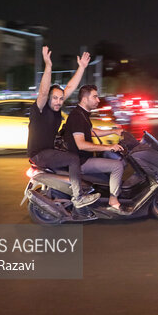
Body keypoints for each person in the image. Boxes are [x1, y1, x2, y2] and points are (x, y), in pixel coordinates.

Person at [27, 46, 100, 209]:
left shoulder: (57, 108)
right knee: (73, 159)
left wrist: (81, 67)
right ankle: (78, 197)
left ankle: (68, 190)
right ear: (48, 99)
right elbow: (44, 91)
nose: (58, 101)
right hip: (39, 154)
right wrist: (48, 66)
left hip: (48, 150)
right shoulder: (40, 109)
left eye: (61, 99)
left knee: (72, 155)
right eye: (55, 98)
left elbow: (70, 88)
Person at [61, 84, 126, 214]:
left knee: (117, 160)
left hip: (85, 157)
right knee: (117, 166)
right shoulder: (77, 116)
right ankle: (113, 201)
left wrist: (114, 131)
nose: (98, 100)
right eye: (95, 97)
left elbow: (91, 132)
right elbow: (82, 144)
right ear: (85, 99)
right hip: (81, 161)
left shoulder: (82, 114)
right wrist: (109, 147)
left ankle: (107, 191)